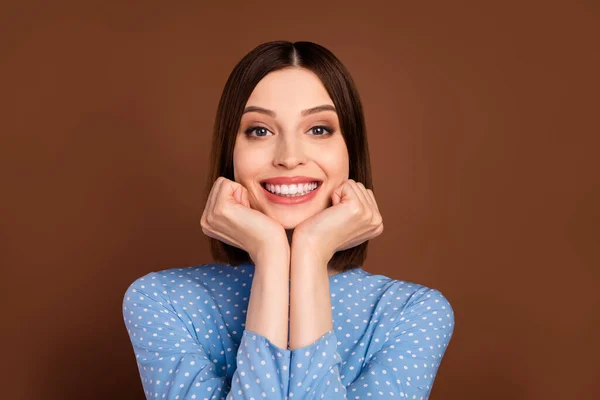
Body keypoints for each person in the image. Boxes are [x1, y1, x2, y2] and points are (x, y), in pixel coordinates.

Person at [122, 40, 455, 400]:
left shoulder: (413, 314)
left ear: (350, 151)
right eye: (260, 130)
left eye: (318, 129)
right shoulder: (163, 301)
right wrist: (271, 256)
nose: (289, 157)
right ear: (230, 152)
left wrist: (309, 255)